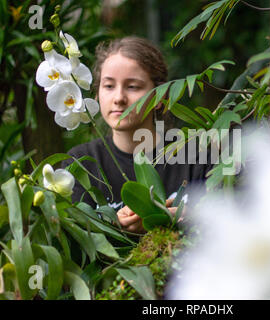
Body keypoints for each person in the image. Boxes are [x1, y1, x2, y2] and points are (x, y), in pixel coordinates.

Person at [62, 36, 213, 234]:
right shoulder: (81, 164)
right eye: (108, 86)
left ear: (160, 97)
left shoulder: (196, 156)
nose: (119, 98)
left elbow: (227, 221)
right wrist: (112, 224)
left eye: (132, 86)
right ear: (97, 93)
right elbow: (75, 238)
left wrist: (185, 218)